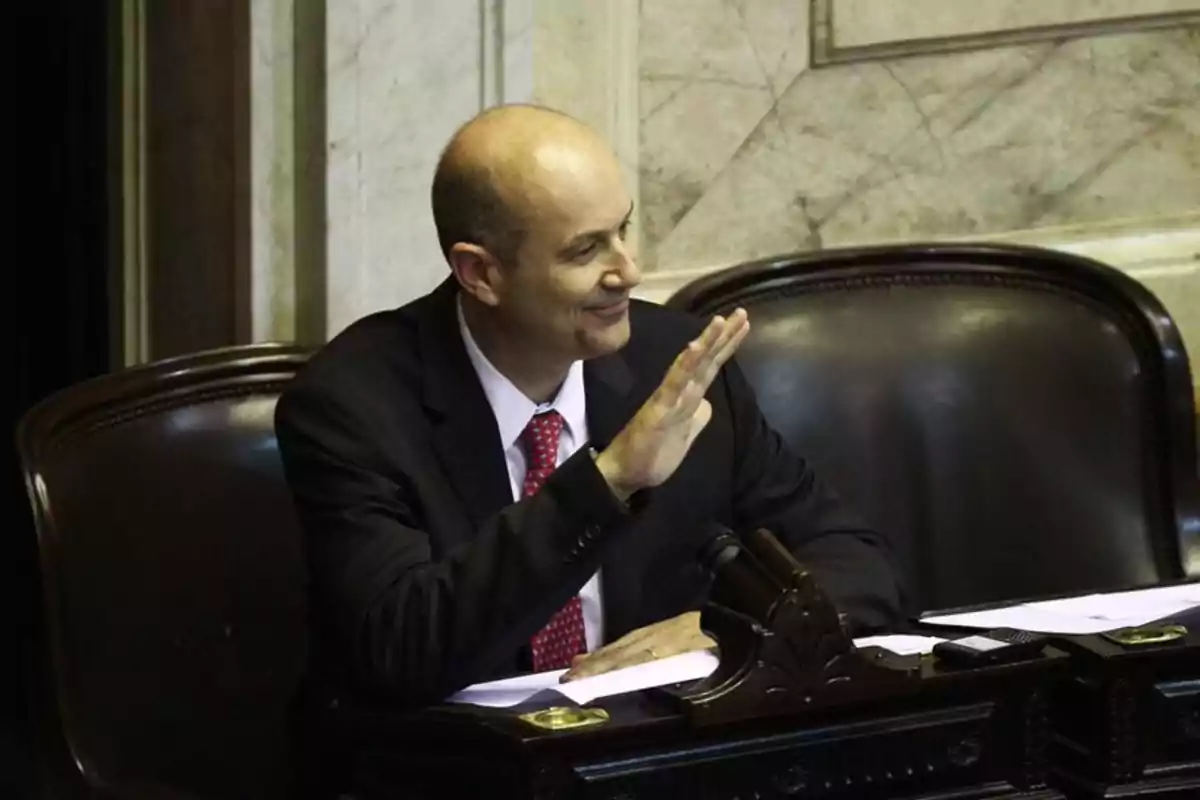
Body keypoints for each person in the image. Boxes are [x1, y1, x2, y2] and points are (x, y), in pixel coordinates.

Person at [274, 105, 904, 720]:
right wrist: (609, 481)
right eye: (585, 251)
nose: (628, 270)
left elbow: (855, 560)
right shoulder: (352, 405)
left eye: (623, 231)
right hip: (449, 770)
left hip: (654, 763)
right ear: (480, 273)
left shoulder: (678, 368)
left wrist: (731, 632)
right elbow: (403, 651)